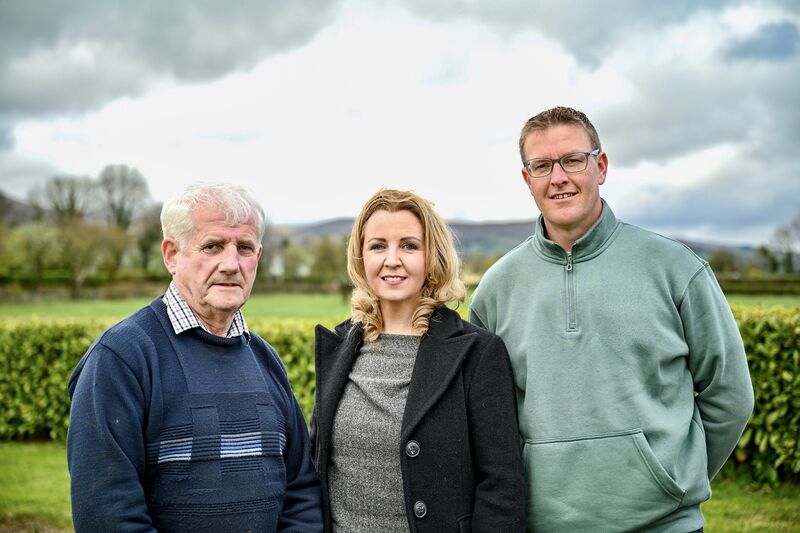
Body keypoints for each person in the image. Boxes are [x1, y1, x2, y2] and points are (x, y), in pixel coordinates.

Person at [469, 106, 755, 532]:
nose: (559, 177)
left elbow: (730, 395)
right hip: (541, 524)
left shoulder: (675, 268)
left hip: (664, 525)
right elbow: (484, 420)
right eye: (542, 166)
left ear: (600, 167)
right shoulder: (495, 288)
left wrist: (670, 480)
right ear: (527, 180)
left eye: (572, 160)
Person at [67, 183, 323, 532]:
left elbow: (302, 493)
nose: (231, 264)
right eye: (213, 246)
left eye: (244, 248)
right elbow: (108, 513)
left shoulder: (265, 360)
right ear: (172, 254)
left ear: (258, 257)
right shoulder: (122, 358)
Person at [311, 189, 526, 532]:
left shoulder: (478, 353)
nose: (392, 259)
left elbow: (502, 488)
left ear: (432, 257)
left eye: (409, 245)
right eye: (378, 245)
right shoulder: (336, 348)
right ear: (361, 257)